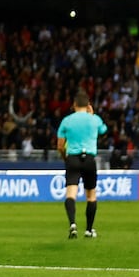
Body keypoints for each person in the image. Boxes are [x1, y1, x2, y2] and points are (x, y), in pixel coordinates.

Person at [56, 90, 107, 239]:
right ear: (88, 105)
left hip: (72, 158)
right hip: (89, 159)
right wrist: (92, 115)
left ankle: (72, 224)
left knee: (71, 193)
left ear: (74, 105)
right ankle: (89, 230)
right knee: (91, 195)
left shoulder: (66, 121)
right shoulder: (94, 119)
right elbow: (104, 130)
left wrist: (65, 158)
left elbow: (60, 145)